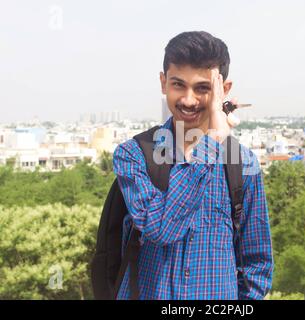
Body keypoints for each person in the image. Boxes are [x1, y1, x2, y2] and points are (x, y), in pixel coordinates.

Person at [113, 31, 273, 300]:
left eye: (202, 88)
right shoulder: (134, 155)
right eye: (179, 85)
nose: (189, 100)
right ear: (163, 83)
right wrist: (212, 142)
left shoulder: (241, 163)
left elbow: (256, 264)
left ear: (224, 89)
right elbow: (162, 229)